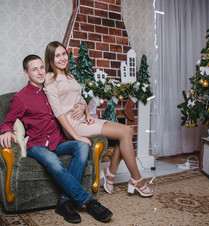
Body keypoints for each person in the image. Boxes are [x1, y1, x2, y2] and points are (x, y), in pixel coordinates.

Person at [0, 54, 113, 224]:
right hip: (37, 145)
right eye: (34, 69)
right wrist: (6, 131)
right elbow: (7, 122)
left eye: (42, 67)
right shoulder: (21, 98)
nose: (40, 72)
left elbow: (76, 99)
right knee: (53, 161)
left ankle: (64, 201)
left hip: (58, 142)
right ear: (26, 73)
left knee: (82, 146)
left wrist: (82, 106)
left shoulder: (53, 89)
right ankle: (88, 202)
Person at [43, 41, 153, 197]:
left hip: (83, 119)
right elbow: (58, 113)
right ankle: (137, 179)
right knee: (124, 133)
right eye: (57, 55)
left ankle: (110, 173)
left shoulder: (69, 75)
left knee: (127, 131)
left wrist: (86, 112)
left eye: (64, 54)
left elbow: (80, 98)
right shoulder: (50, 79)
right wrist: (76, 136)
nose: (62, 58)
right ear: (51, 59)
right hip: (73, 125)